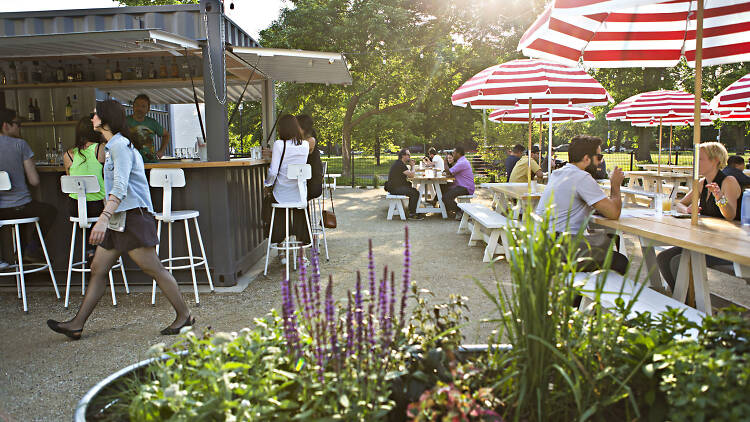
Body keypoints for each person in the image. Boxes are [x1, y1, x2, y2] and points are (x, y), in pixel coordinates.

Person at [47, 100, 192, 340]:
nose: (92, 118)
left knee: (152, 267)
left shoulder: (120, 147)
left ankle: (184, 315)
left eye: (95, 115)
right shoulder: (112, 145)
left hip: (133, 216)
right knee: (98, 268)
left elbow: (121, 187)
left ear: (105, 120)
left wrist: (103, 218)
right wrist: (108, 216)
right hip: (119, 217)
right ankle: (76, 324)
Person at [535, 135, 628, 275]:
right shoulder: (581, 177)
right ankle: (583, 296)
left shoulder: (559, 173)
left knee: (605, 248)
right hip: (560, 248)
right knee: (620, 261)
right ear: (586, 158)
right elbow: (614, 213)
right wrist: (615, 185)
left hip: (542, 243)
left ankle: (575, 296)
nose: (600, 162)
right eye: (599, 156)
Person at [657, 142, 743, 292]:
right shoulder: (702, 183)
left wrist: (719, 197)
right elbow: (680, 204)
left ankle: (689, 303)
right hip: (705, 241)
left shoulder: (728, 181)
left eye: (700, 159)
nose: (695, 162)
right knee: (663, 258)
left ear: (715, 160)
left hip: (727, 246)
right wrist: (688, 210)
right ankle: (686, 300)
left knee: (679, 261)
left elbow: (730, 215)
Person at [0, 108, 58, 262]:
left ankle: (4, 259)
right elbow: (34, 180)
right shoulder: (21, 145)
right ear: (5, 125)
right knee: (49, 211)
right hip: (21, 207)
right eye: (17, 124)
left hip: (1, 211)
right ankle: (31, 248)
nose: (20, 127)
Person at [264, 115, 314, 246]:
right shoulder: (305, 145)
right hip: (299, 195)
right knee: (297, 208)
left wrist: (267, 184)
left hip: (282, 195)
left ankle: (279, 243)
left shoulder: (279, 144)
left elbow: (273, 172)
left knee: (273, 203)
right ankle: (301, 245)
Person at [63, 117, 106, 217]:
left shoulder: (68, 155)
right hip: (98, 205)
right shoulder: (100, 149)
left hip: (75, 207)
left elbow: (71, 181)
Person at [126, 94, 170, 162]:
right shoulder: (124, 121)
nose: (139, 109)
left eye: (143, 106)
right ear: (133, 106)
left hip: (150, 162)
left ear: (148, 109)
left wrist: (161, 151)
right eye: (137, 105)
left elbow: (166, 135)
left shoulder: (152, 123)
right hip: (130, 162)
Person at [385, 149, 423, 220]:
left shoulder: (400, 163)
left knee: (412, 189)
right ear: (403, 156)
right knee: (415, 193)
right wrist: (413, 166)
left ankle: (411, 210)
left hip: (394, 187)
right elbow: (411, 175)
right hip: (395, 188)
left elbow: (410, 175)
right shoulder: (400, 164)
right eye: (408, 154)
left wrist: (411, 167)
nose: (410, 156)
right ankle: (412, 214)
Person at [443, 146, 475, 218]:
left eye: (454, 153)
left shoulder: (462, 162)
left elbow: (448, 171)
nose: (453, 155)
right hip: (462, 185)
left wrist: (445, 161)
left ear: (459, 153)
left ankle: (460, 212)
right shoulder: (461, 161)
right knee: (443, 187)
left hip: (466, 188)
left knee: (446, 197)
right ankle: (444, 208)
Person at [296, 114, 323, 200]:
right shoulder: (301, 141)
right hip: (304, 183)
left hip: (312, 185)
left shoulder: (310, 140)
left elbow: (294, 152)